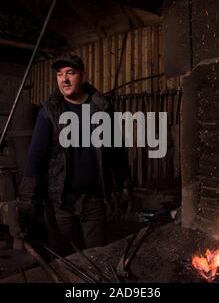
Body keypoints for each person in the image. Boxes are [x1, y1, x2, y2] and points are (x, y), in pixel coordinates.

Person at [11, 54, 131, 254]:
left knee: (98, 258)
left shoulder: (102, 108)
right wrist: (25, 200)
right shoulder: (49, 111)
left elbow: (116, 152)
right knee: (65, 259)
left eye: (70, 73)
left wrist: (125, 186)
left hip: (94, 201)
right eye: (59, 74)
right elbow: (36, 157)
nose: (64, 79)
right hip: (60, 203)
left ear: (82, 75)